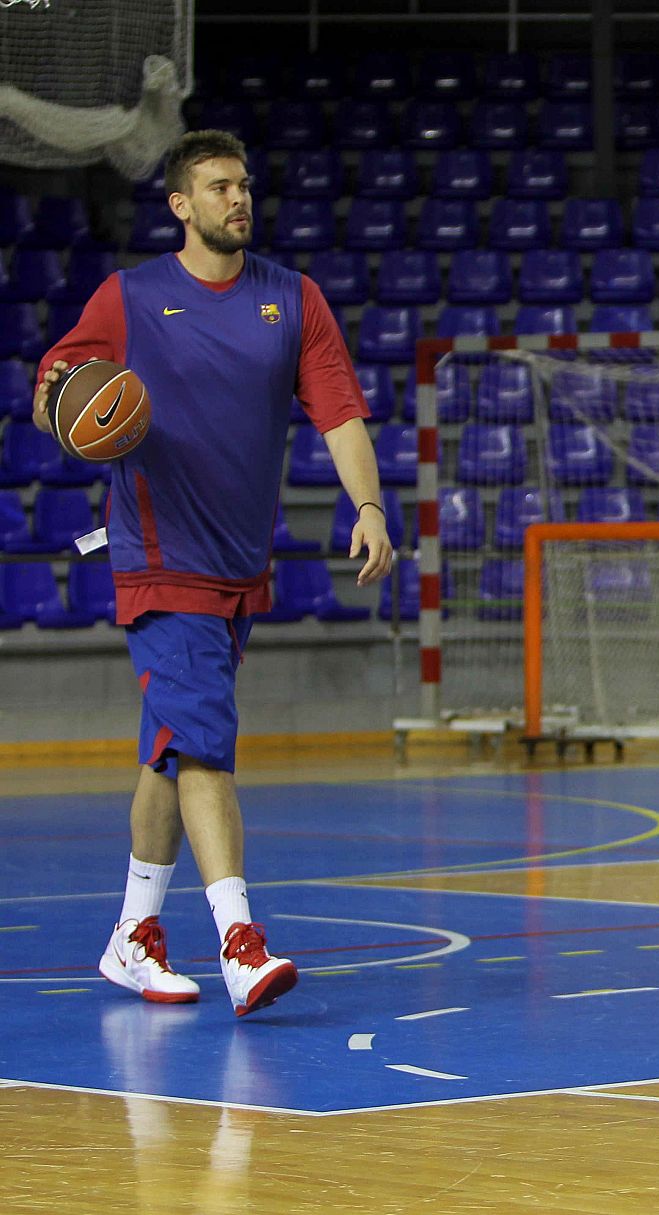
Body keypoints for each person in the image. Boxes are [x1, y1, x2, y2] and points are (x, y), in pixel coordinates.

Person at [32, 130, 392, 1016]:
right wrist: (66, 413)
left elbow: (340, 412)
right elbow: (55, 382)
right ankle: (239, 938)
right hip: (157, 556)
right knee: (204, 741)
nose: (239, 198)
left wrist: (370, 506)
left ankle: (134, 933)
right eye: (219, 186)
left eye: (245, 184)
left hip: (238, 563)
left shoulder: (292, 299)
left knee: (169, 746)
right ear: (181, 206)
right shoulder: (132, 297)